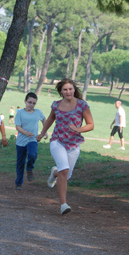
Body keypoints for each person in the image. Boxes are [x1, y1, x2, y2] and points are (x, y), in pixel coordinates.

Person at [37, 79, 94, 215]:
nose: (68, 92)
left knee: (65, 174)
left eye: (70, 89)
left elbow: (91, 124)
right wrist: (43, 133)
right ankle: (63, 204)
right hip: (58, 141)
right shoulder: (56, 105)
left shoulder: (82, 105)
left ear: (74, 90)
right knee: (65, 170)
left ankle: (54, 173)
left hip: (74, 144)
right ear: (61, 91)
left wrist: (78, 129)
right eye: (65, 89)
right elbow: (51, 119)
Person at [14, 92, 45, 190]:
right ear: (25, 101)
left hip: (33, 139)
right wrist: (26, 133)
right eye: (30, 102)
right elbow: (17, 127)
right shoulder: (20, 113)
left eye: (34, 103)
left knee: (32, 154)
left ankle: (30, 168)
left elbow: (45, 120)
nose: (31, 105)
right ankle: (19, 182)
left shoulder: (38, 112)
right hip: (21, 141)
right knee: (20, 163)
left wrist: (44, 132)